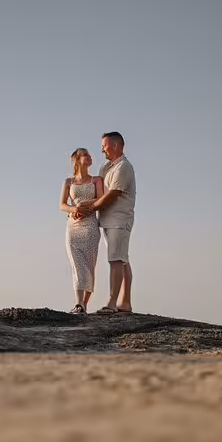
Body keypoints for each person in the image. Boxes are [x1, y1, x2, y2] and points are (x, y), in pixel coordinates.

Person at [77, 132, 136, 314]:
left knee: (116, 260)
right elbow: (100, 192)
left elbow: (111, 196)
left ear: (117, 146)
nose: (102, 149)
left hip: (120, 219)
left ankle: (112, 303)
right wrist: (80, 206)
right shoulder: (106, 167)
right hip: (107, 221)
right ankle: (125, 303)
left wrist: (90, 207)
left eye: (105, 145)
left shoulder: (123, 167)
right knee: (122, 259)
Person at [59, 148, 104, 314]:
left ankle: (84, 303)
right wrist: (73, 209)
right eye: (86, 154)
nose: (90, 156)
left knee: (89, 265)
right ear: (77, 159)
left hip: (90, 225)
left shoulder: (96, 180)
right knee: (77, 264)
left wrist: (83, 205)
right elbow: (62, 204)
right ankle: (79, 304)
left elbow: (101, 199)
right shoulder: (68, 182)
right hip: (73, 227)